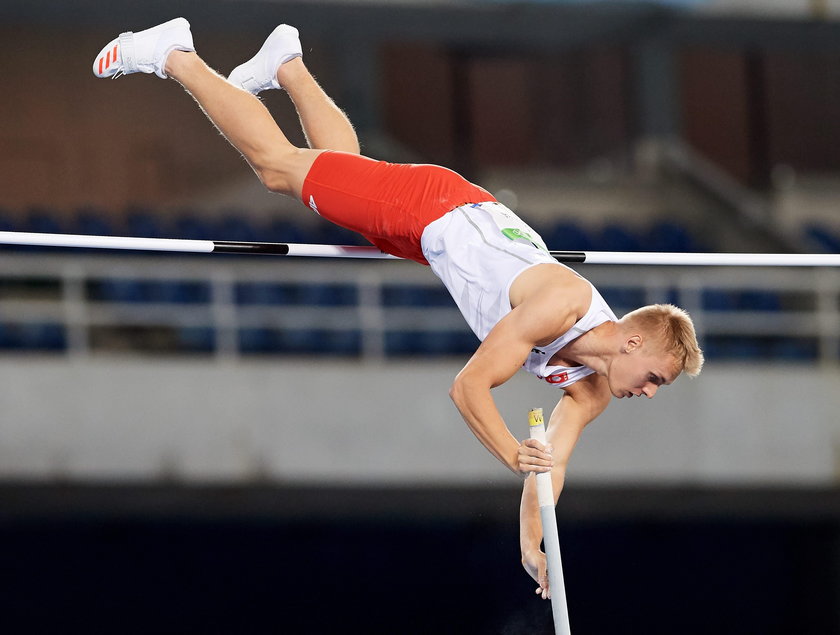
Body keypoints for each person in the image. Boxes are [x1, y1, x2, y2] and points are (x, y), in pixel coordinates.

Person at [92, 18, 704, 599]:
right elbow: (469, 389)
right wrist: (511, 452)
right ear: (633, 343)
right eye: (656, 378)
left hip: (437, 236)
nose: (649, 393)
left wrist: (533, 541)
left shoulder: (591, 390)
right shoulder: (561, 305)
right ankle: (176, 55)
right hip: (434, 207)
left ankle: (288, 66)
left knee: (341, 180)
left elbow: (548, 472)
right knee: (279, 171)